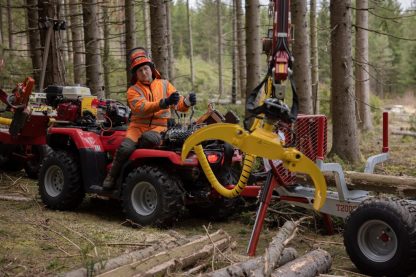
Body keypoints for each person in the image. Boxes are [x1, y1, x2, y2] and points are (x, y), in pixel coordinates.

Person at [103, 47, 197, 189]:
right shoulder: (133, 90)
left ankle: (138, 164)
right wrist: (163, 103)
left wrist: (187, 102)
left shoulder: (165, 84)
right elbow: (141, 107)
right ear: (136, 74)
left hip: (159, 128)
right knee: (125, 148)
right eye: (140, 71)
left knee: (150, 139)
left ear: (151, 69)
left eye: (145, 68)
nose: (143, 72)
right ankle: (111, 176)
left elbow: (179, 104)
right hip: (136, 128)